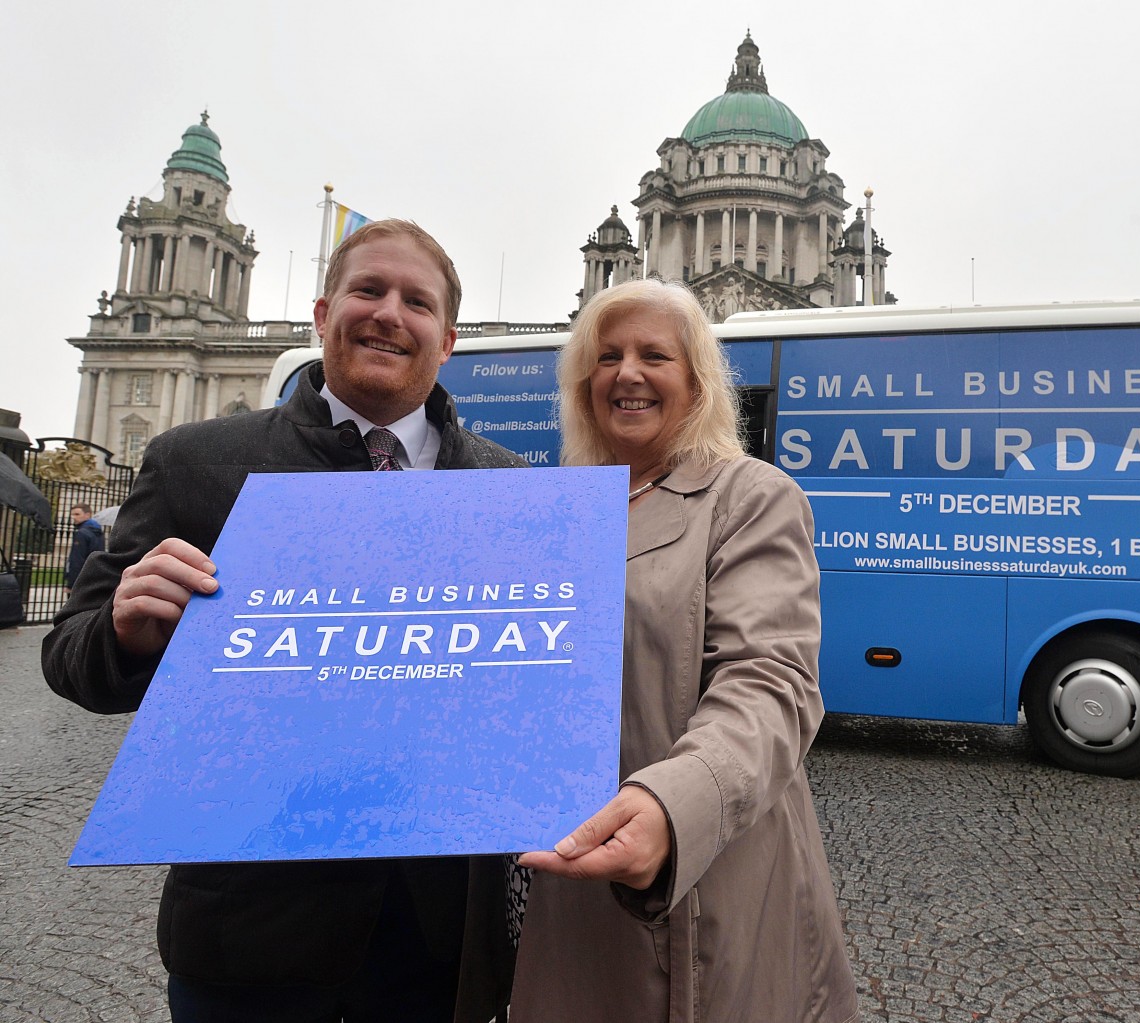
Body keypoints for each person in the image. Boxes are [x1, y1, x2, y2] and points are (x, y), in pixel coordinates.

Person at [42, 220, 528, 1023]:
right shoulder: (195, 461)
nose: (387, 314)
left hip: (436, 939)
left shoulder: (508, 487)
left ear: (447, 341)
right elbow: (71, 653)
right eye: (367, 290)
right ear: (321, 311)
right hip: (250, 933)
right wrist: (126, 630)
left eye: (415, 301)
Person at [456, 279, 859, 1022]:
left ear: (698, 381)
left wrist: (676, 804)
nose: (627, 372)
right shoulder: (554, 507)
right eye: (606, 356)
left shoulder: (750, 495)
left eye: (654, 355)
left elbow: (771, 681)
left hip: (700, 866)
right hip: (553, 878)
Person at [65, 503, 106, 592]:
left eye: (77, 514)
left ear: (87, 515)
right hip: (93, 576)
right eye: (72, 514)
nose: (73, 517)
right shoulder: (98, 532)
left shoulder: (82, 533)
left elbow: (77, 559)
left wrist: (71, 584)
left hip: (80, 580)